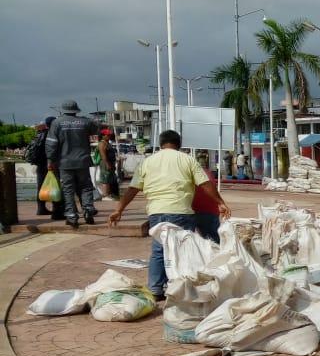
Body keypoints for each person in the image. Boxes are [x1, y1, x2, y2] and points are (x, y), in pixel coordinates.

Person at [108, 130, 229, 300]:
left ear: (160, 143)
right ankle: (182, 286)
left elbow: (133, 189)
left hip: (156, 213)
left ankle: (156, 289)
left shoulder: (147, 162)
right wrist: (220, 202)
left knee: (159, 249)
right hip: (181, 212)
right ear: (179, 144)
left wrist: (118, 209)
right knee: (182, 249)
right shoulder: (187, 160)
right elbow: (205, 184)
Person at [45, 100, 98, 228]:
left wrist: (50, 160)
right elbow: (97, 129)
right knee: (86, 187)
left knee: (68, 190)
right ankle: (88, 211)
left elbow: (51, 144)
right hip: (83, 161)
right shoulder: (85, 122)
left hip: (65, 163)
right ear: (76, 110)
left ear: (63, 109)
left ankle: (71, 216)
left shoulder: (56, 123)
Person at [27, 117, 62, 218]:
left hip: (40, 164)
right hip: (50, 164)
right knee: (55, 186)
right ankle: (56, 209)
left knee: (40, 186)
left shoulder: (39, 134)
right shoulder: (53, 134)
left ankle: (41, 208)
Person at [98, 129, 120, 200]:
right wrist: (107, 164)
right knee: (105, 179)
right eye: (107, 135)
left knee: (110, 179)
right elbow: (103, 155)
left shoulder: (108, 143)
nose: (109, 136)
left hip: (111, 162)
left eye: (109, 135)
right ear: (103, 136)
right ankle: (105, 195)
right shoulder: (102, 143)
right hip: (105, 163)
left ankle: (110, 194)